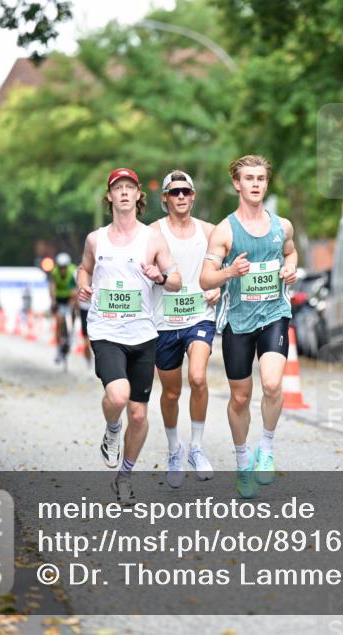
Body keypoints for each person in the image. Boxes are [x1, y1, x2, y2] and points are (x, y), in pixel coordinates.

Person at [77, 167, 183, 505]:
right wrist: (83, 285)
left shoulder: (152, 239)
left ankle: (124, 476)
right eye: (118, 187)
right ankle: (112, 430)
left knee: (138, 415)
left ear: (138, 196)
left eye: (129, 187)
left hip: (143, 333)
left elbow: (176, 280)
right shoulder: (96, 239)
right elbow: (84, 268)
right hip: (106, 330)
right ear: (109, 196)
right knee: (119, 396)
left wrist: (160, 277)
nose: (124, 192)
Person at [201, 155, 297, 499]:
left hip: (274, 313)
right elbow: (205, 278)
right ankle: (243, 462)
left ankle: (266, 449)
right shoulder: (225, 231)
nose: (255, 184)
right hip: (238, 321)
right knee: (240, 397)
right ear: (236, 184)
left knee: (271, 384)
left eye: (261, 178)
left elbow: (291, 253)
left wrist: (290, 268)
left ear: (266, 184)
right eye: (249, 178)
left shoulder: (282, 226)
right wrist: (230, 272)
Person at [150, 170, 220, 488]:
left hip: (199, 316)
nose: (181, 196)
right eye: (174, 192)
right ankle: (174, 450)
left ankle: (196, 448)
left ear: (193, 196)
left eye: (186, 191)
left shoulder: (209, 231)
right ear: (165, 198)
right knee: (171, 392)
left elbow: (225, 266)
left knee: (198, 377)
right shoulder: (152, 233)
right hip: (163, 322)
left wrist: (219, 287)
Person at [48, 252, 77, 364]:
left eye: (64, 267)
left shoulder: (72, 271)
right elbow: (52, 287)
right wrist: (53, 300)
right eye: (61, 267)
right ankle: (58, 350)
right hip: (59, 298)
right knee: (59, 321)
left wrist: (73, 302)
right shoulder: (55, 272)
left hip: (70, 296)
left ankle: (72, 331)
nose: (63, 270)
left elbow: (75, 288)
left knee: (73, 311)